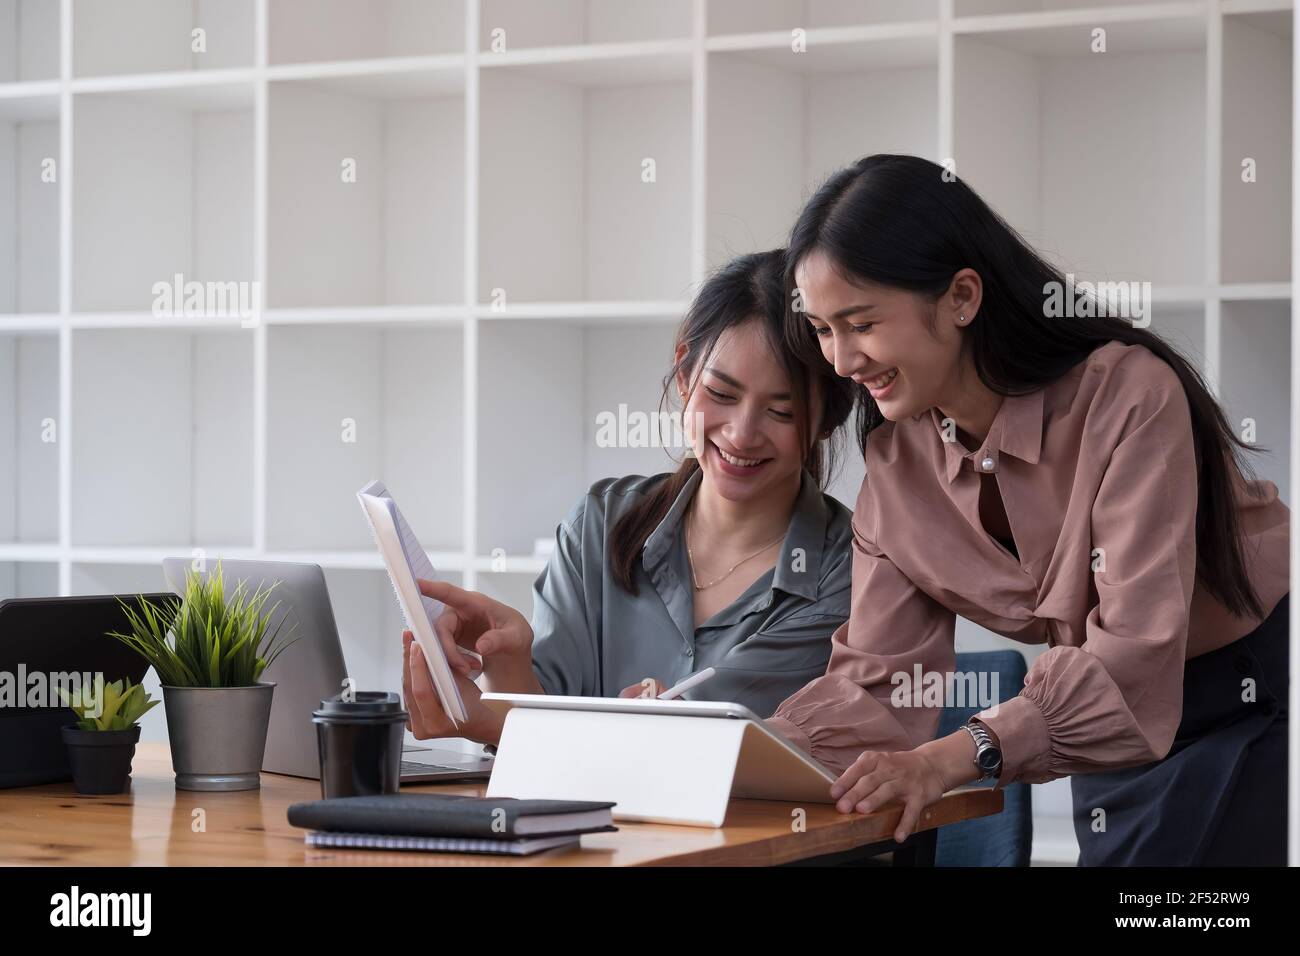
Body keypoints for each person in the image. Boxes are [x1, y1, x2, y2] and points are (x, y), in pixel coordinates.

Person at [766, 154, 1290, 865]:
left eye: (859, 323)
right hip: (1106, 717)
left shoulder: (1128, 397)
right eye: (824, 330)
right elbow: (880, 686)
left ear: (961, 296)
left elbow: (1136, 651)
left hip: (1252, 691)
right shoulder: (897, 470)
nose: (840, 360)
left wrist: (959, 753)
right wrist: (734, 752)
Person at [401, 249, 858, 747]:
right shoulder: (600, 524)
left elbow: (693, 742)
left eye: (782, 412)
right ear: (684, 374)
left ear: (827, 418)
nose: (742, 434)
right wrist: (507, 657)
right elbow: (540, 723)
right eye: (722, 395)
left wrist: (488, 720)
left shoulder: (848, 572)